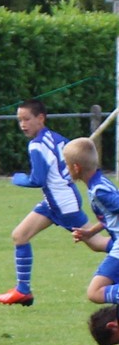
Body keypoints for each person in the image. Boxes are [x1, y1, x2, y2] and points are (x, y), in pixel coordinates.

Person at [0, 100, 101, 306]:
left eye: (27, 119)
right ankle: (23, 291)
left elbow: (37, 179)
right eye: (19, 120)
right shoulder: (57, 138)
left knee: (97, 244)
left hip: (64, 204)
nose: (22, 124)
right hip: (53, 202)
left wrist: (18, 178)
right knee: (20, 235)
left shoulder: (36, 145)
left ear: (41, 118)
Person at [63, 138, 119, 328]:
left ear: (76, 167)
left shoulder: (99, 190)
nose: (66, 169)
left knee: (95, 292)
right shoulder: (98, 184)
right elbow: (109, 216)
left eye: (67, 164)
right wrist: (89, 233)